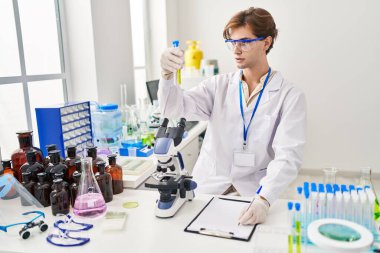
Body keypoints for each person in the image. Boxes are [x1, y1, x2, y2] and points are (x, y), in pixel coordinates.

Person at [158, 7, 306, 225]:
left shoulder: (289, 96)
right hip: (208, 187)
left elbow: (288, 156)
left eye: (244, 42)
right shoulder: (219, 86)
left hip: (253, 193)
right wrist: (166, 75)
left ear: (266, 42)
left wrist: (263, 200)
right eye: (232, 42)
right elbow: (173, 108)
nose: (236, 49)